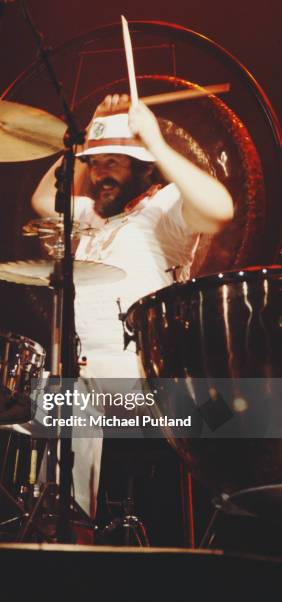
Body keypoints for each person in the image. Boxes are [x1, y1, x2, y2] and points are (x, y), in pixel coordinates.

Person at [31, 94, 233, 519]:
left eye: (114, 163)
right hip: (84, 381)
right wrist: (84, 134)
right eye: (95, 164)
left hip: (145, 382)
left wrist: (155, 140)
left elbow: (221, 209)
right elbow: (43, 201)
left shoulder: (164, 208)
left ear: (144, 169)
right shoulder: (88, 215)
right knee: (23, 424)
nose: (100, 173)